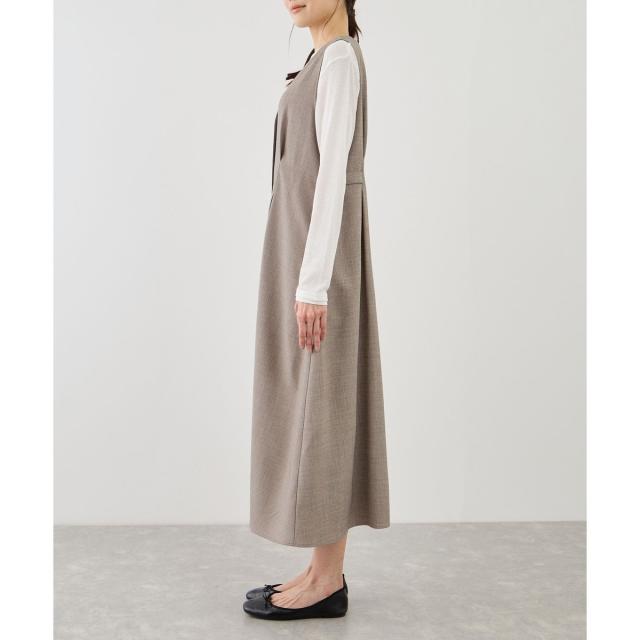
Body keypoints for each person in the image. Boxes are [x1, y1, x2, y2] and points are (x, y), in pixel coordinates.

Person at [244, 0, 390, 620]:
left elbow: (333, 177)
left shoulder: (339, 62)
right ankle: (319, 567)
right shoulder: (319, 60)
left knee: (324, 407)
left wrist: (314, 284)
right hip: (299, 250)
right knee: (313, 402)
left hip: (317, 260)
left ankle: (327, 581)